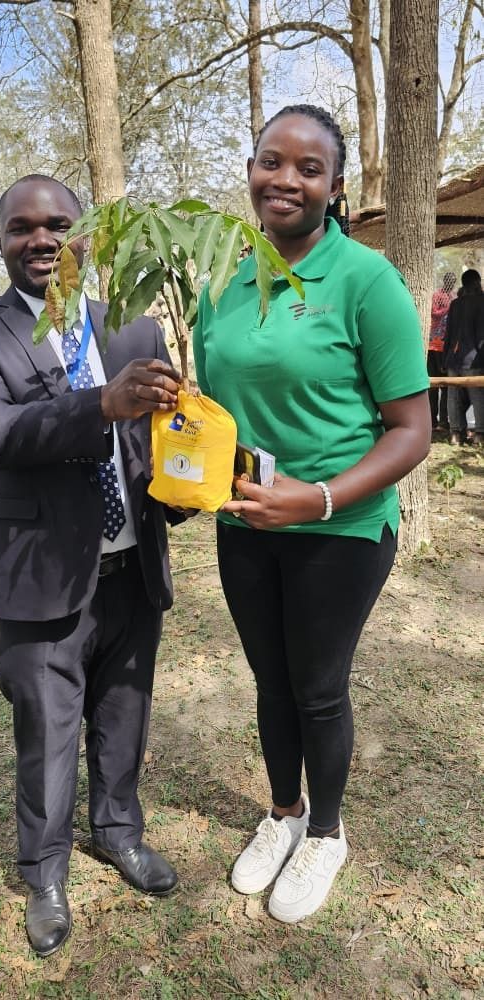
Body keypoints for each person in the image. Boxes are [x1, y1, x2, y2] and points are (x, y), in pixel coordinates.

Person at [0, 175, 186, 957]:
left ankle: (117, 831)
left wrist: (195, 483)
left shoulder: (132, 331)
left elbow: (150, 447)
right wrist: (98, 406)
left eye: (59, 225)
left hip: (130, 569)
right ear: (2, 240)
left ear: (87, 236)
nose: (41, 239)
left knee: (123, 715)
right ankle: (43, 873)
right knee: (45, 730)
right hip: (37, 576)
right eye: (21, 227)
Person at [193, 105, 431, 924]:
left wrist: (319, 496)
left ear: (333, 186)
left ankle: (326, 833)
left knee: (317, 687)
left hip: (340, 526)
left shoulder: (364, 280)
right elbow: (220, 401)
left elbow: (412, 427)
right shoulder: (221, 280)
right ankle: (282, 814)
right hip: (246, 522)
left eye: (307, 169)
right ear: (251, 169)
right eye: (270, 161)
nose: (284, 180)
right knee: (269, 679)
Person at [442, 268, 484, 446]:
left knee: (453, 396)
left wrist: (445, 357)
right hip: (474, 358)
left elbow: (448, 334)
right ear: (476, 282)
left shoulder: (455, 304)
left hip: (453, 358)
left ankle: (455, 434)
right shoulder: (482, 302)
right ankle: (480, 435)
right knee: (477, 395)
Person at [428, 271, 456, 431]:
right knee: (433, 385)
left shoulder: (452, 296)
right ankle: (432, 419)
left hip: (446, 346)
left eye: (453, 282)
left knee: (446, 385)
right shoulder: (437, 295)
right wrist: (448, 308)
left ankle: (443, 421)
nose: (451, 284)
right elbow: (434, 312)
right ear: (445, 281)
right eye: (449, 281)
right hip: (433, 345)